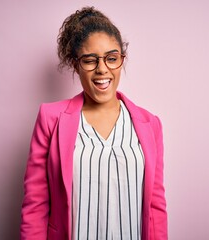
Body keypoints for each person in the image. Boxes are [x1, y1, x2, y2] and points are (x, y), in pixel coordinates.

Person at [21, 6, 167, 240]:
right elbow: (35, 205)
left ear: (121, 59)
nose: (102, 69)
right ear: (75, 64)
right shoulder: (50, 119)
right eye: (90, 60)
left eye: (112, 58)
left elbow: (156, 207)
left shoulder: (151, 125)